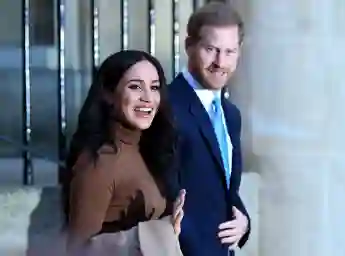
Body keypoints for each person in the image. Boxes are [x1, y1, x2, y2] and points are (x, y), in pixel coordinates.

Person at [61, 50, 185, 255]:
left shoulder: (149, 149)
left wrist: (168, 228)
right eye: (135, 87)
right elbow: (77, 250)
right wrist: (146, 235)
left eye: (154, 88)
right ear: (109, 94)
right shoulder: (99, 163)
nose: (148, 98)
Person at [168, 2, 250, 256]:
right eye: (211, 49)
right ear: (189, 46)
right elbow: (160, 193)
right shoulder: (165, 107)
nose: (220, 62)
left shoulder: (231, 115)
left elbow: (225, 188)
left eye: (229, 51)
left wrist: (244, 222)